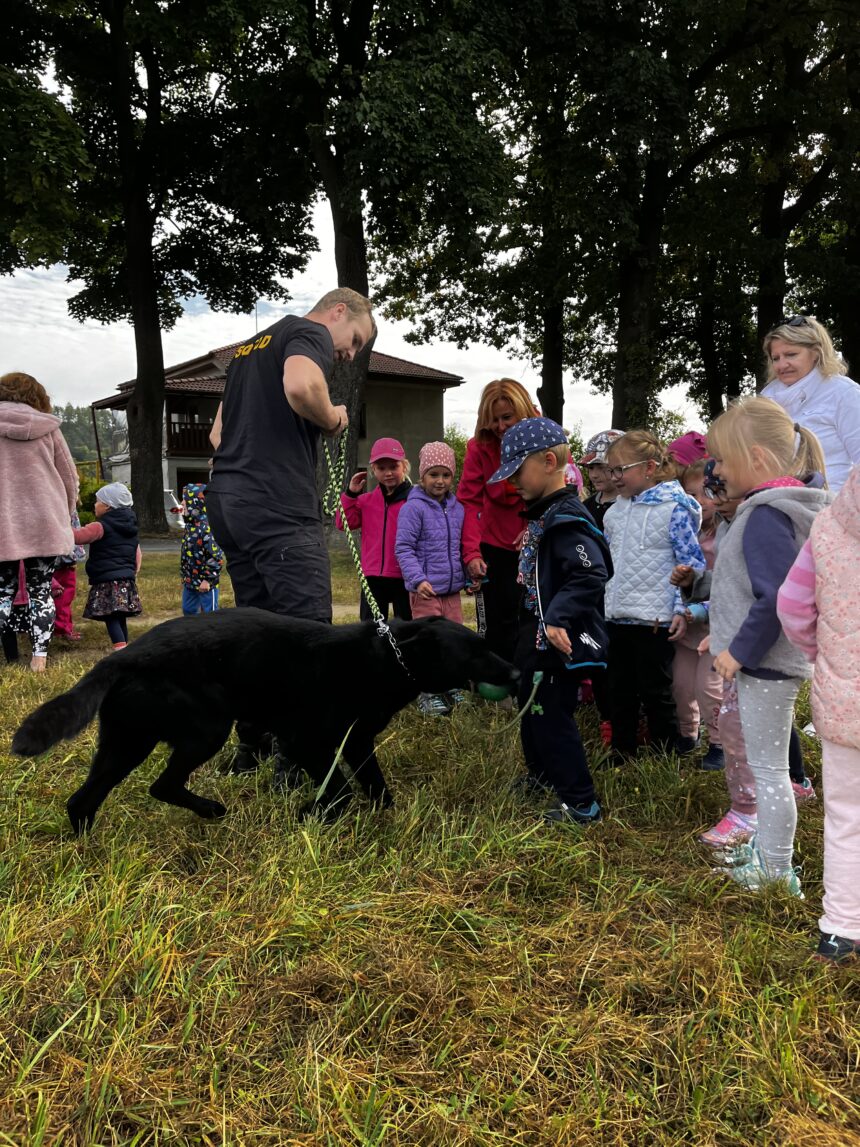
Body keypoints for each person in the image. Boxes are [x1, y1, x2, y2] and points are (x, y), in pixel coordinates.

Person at [699, 396, 831, 897]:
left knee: (770, 772)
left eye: (723, 461)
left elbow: (774, 595)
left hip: (767, 666)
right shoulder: (783, 508)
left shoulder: (764, 516)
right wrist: (725, 633)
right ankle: (770, 861)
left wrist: (739, 652)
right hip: (771, 661)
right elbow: (750, 591)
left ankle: (776, 872)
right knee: (769, 767)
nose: (716, 471)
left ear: (755, 459)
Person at [207, 287, 375, 622]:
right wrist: (332, 419)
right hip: (277, 502)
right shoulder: (310, 332)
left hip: (228, 504)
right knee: (308, 632)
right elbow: (301, 386)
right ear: (338, 311)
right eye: (355, 339)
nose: (352, 354)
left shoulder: (246, 352)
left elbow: (217, 435)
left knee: (259, 629)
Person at [489, 418, 612, 825]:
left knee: (551, 719)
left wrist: (558, 617)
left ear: (547, 461)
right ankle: (541, 776)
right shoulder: (545, 515)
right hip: (536, 638)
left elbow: (589, 573)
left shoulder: (567, 521)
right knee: (531, 709)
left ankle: (581, 803)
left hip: (558, 641)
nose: (512, 484)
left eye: (517, 472)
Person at [777, 463, 860, 962]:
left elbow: (792, 605)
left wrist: (822, 657)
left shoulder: (829, 522)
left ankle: (841, 929)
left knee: (847, 817)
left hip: (845, 702)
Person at [602, 431, 705, 760]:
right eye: (610, 470)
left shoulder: (674, 508)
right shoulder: (614, 512)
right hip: (616, 615)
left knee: (656, 690)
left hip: (654, 617)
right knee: (619, 689)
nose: (614, 477)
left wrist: (680, 608)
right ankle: (622, 751)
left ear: (648, 467)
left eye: (621, 469)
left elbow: (690, 563)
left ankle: (665, 755)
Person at [0, 372, 78, 671]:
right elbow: (69, 477)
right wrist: (66, 513)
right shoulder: (49, 429)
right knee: (41, 590)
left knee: (2, 591)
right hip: (44, 519)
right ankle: (39, 659)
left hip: (3, 521)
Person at [458, 378, 537, 661]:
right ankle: (498, 680)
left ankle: (529, 677)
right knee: (495, 616)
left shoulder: (544, 438)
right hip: (493, 541)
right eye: (494, 420)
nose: (501, 427)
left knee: (530, 613)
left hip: (533, 541)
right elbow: (469, 501)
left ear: (524, 411)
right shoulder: (478, 447)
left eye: (507, 418)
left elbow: (558, 491)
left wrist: (534, 527)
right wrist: (471, 552)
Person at [395, 441, 475, 715]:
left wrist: (468, 576)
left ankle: (452, 684)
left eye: (445, 475)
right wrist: (418, 579)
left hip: (451, 592)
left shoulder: (458, 509)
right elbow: (403, 548)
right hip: (426, 591)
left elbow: (459, 547)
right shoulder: (413, 508)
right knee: (428, 642)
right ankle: (428, 692)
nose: (440, 481)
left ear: (453, 476)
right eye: (433, 474)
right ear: (422, 476)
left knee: (453, 640)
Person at [761, 315, 860, 492]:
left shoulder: (844, 393)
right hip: (776, 506)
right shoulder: (765, 399)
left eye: (791, 354)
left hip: (832, 507)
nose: (782, 365)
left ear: (816, 352)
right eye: (775, 358)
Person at [672, 457, 724, 766]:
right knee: (680, 684)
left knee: (709, 687)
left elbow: (731, 587)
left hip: (716, 625)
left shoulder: (724, 537)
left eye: (707, 493)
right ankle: (688, 734)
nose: (699, 502)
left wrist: (699, 609)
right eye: (690, 495)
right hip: (688, 627)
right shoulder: (682, 535)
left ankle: (719, 743)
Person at [337, 437, 412, 621]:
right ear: (373, 470)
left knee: (407, 627)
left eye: (393, 467)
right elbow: (343, 523)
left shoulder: (414, 501)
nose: (388, 473)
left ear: (404, 466)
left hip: (405, 574)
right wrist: (351, 494)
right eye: (381, 468)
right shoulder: (366, 501)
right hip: (373, 576)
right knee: (371, 631)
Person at [74, 483, 142, 650]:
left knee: (111, 616)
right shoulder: (131, 526)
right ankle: (125, 648)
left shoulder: (100, 526)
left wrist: (61, 529)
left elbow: (79, 537)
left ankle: (120, 650)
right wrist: (133, 570)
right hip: (125, 580)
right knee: (120, 616)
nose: (94, 505)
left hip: (107, 580)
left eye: (97, 501)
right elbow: (137, 551)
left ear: (107, 505)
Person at [179, 484, 223, 615]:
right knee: (188, 610)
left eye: (185, 500)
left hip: (206, 583)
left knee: (210, 614)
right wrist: (185, 576)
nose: (182, 503)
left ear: (195, 504)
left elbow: (216, 557)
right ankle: (192, 633)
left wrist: (207, 579)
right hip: (190, 580)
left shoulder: (207, 529)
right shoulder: (189, 526)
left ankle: (214, 634)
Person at [579, 430, 623, 530]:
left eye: (601, 467)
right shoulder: (585, 507)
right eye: (591, 468)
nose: (594, 475)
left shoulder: (631, 506)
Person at [52, 510, 86, 641]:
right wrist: (72, 555)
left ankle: (64, 627)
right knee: (63, 595)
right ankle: (61, 630)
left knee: (62, 596)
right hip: (63, 559)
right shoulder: (65, 506)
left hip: (55, 558)